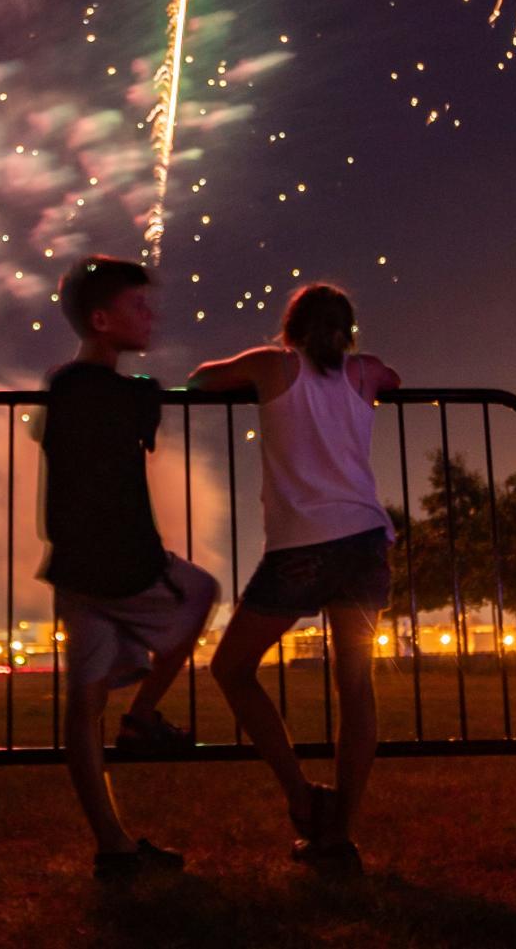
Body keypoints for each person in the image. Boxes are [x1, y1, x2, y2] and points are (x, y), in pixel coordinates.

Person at [190, 281, 400, 874]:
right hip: (363, 542)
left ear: (290, 329)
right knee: (356, 689)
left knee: (231, 668)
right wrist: (363, 366)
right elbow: (394, 379)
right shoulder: (363, 372)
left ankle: (301, 795)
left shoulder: (273, 365)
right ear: (347, 332)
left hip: (303, 546)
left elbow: (205, 377)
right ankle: (340, 836)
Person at [39, 254, 219, 881]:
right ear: (100, 319)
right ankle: (143, 715)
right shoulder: (119, 393)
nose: (151, 315)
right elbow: (138, 412)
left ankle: (112, 847)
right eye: (138, 307)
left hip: (76, 569)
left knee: (82, 706)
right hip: (123, 564)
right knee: (202, 592)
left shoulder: (66, 388)